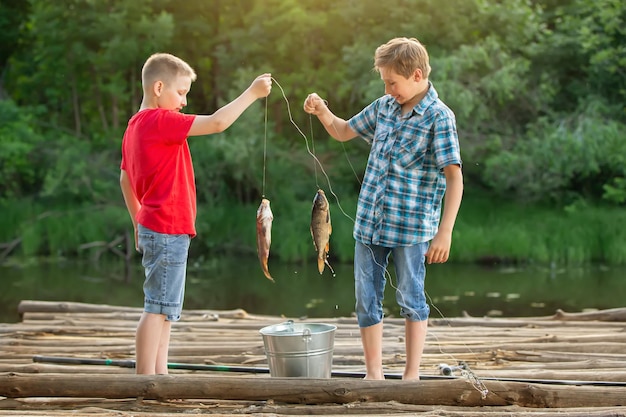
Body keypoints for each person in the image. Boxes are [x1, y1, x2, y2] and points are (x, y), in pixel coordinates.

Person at [303, 37, 463, 380]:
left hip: (413, 230)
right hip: (369, 226)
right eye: (385, 83)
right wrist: (322, 111)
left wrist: (444, 232)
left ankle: (411, 374)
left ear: (416, 75)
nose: (389, 89)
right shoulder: (384, 107)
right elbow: (343, 131)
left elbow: (454, 178)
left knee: (411, 298)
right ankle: (373, 374)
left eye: (393, 82)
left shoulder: (439, 117)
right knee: (365, 300)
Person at [120, 53, 271, 375]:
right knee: (156, 308)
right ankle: (146, 379)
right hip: (166, 226)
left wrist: (137, 220)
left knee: (166, 308)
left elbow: (124, 178)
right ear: (159, 87)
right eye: (181, 92)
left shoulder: (134, 125)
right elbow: (217, 122)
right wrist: (253, 93)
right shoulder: (158, 121)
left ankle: (159, 374)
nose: (185, 101)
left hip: (157, 226)